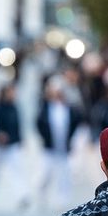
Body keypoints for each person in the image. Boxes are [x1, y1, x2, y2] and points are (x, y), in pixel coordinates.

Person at [35, 77, 84, 209]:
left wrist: (70, 139)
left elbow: (76, 121)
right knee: (45, 173)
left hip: (64, 147)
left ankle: (63, 197)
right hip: (50, 147)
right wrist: (45, 138)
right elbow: (39, 123)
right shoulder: (45, 107)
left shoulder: (68, 108)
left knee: (65, 174)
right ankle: (41, 194)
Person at [0, 81, 28, 211]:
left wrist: (20, 139)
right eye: (11, 92)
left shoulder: (15, 107)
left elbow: (18, 125)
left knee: (17, 171)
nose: (13, 94)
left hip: (13, 145)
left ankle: (21, 195)